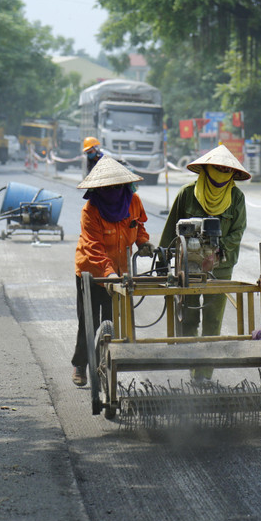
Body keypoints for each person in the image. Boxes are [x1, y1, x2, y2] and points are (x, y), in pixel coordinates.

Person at [159, 144, 250, 382]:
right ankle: (192, 368)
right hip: (187, 267)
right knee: (188, 317)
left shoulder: (237, 198)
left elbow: (237, 233)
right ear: (206, 169)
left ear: (233, 173)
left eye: (225, 169)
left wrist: (217, 255)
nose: (220, 172)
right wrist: (162, 262)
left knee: (213, 320)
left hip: (220, 269)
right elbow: (170, 231)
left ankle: (204, 375)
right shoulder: (187, 193)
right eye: (216, 167)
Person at [72, 155, 155, 386]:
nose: (113, 191)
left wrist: (143, 242)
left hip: (119, 273)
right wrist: (108, 274)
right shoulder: (91, 210)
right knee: (88, 322)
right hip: (91, 271)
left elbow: (138, 226)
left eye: (117, 186)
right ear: (99, 188)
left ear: (124, 185)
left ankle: (106, 364)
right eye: (108, 187)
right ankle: (80, 364)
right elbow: (93, 247)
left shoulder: (133, 201)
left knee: (111, 320)